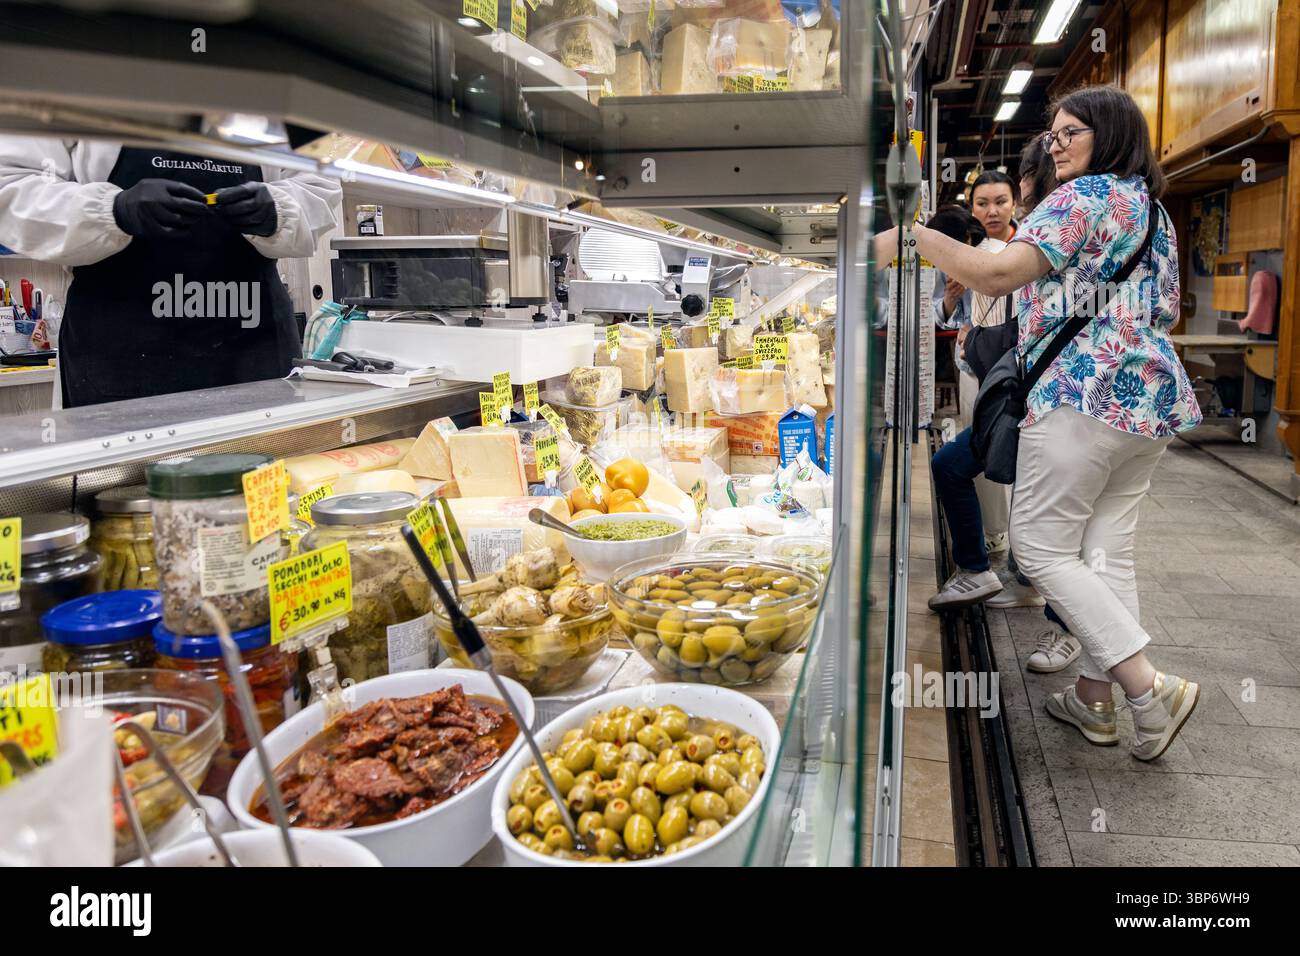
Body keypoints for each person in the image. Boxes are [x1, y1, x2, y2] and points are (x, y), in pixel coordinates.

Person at [883, 85, 1203, 761]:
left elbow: (996, 274)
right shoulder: (1154, 212)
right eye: (1051, 135)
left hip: (1083, 395)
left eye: (1068, 134)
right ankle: (1096, 702)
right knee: (1104, 552)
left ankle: (1150, 690)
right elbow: (1166, 308)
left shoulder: (1085, 197)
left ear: (1109, 136)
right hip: (1149, 403)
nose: (1054, 146)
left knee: (1038, 548)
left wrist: (913, 238)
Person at [0, 138, 341, 406]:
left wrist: (278, 210)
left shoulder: (276, 69)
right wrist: (114, 211)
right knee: (128, 489)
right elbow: (11, 186)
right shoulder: (74, 66)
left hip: (254, 346)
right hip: (119, 355)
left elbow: (319, 183)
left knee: (261, 485)